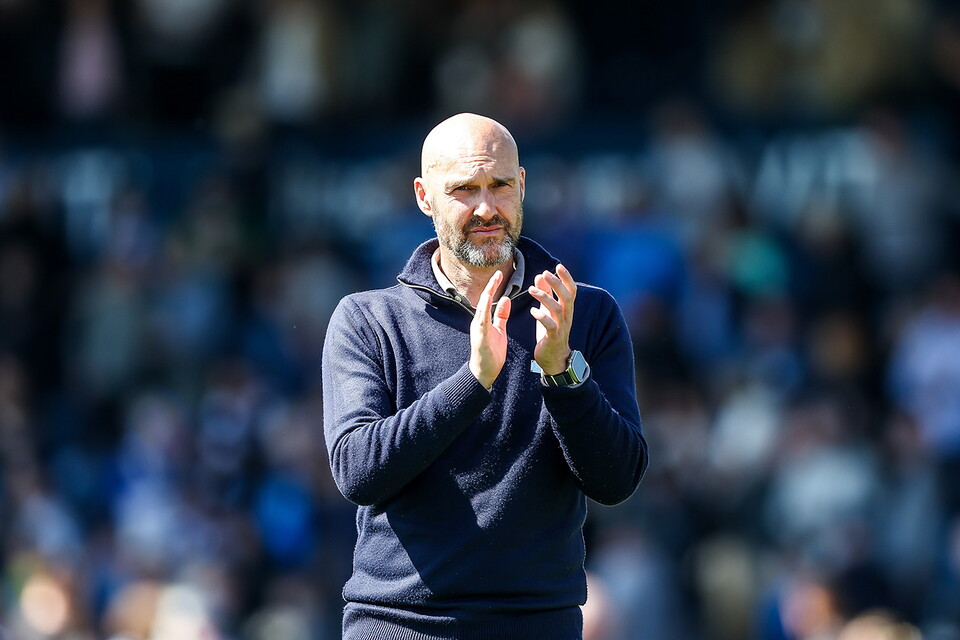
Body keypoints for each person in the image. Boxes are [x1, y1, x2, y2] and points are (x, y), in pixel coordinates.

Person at [321, 113, 648, 640]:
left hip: (541, 625)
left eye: (498, 186)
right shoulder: (367, 319)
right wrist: (473, 381)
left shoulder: (584, 314)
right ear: (424, 197)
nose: (485, 208)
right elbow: (358, 471)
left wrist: (562, 372)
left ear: (522, 186)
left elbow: (617, 481)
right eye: (464, 190)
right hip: (400, 626)